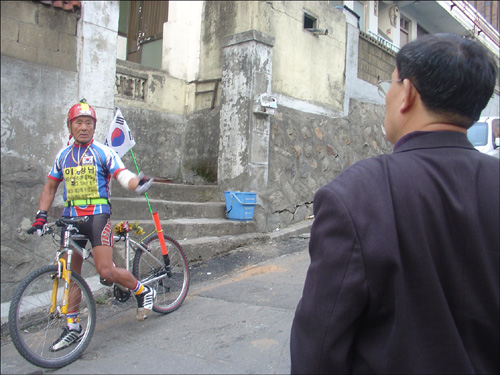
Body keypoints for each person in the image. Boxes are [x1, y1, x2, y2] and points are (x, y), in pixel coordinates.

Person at [290, 33, 499, 374]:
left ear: (408, 94)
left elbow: (319, 347)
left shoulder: (355, 195)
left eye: (389, 83)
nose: (386, 94)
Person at [27, 99, 155, 352]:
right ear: (70, 126)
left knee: (105, 271)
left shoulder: (102, 151)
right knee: (71, 274)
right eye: (78, 122)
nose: (83, 127)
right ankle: (72, 326)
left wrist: (135, 183)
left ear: (94, 127)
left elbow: (122, 174)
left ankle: (141, 290)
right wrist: (41, 215)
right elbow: (51, 186)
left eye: (88, 123)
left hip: (97, 215)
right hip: (71, 217)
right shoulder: (63, 156)